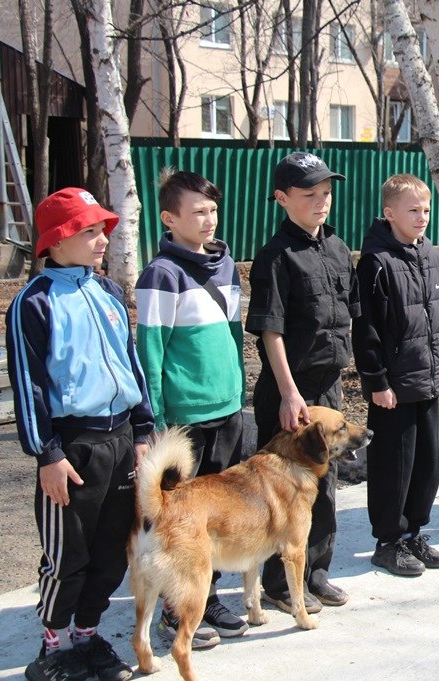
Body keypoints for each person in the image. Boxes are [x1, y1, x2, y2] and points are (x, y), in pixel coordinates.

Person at [6, 188, 154, 681]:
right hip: (71, 450)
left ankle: (88, 636)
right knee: (68, 555)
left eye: (102, 230)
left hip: (119, 442)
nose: (100, 241)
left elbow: (130, 362)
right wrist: (47, 454)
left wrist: (142, 428)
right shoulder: (34, 303)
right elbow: (29, 385)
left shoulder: (108, 292)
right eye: (88, 231)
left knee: (113, 549)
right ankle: (53, 646)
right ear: (56, 240)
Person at [134, 169, 247, 647]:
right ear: (168, 217)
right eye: (197, 212)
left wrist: (238, 393)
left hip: (228, 408)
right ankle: (172, 611)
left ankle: (209, 595)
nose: (208, 220)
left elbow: (236, 339)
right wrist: (155, 423)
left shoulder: (225, 266)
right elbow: (151, 352)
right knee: (177, 521)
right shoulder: (161, 274)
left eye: (213, 211)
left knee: (215, 519)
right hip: (184, 418)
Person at [245, 151, 358, 612]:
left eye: (326, 193)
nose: (321, 201)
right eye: (309, 194)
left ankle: (316, 571)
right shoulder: (276, 256)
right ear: (281, 198)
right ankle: (278, 582)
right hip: (290, 391)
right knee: (284, 492)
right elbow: (270, 330)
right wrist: (290, 393)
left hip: (328, 388)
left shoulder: (335, 247)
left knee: (324, 488)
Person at [352, 173, 439, 576]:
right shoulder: (377, 262)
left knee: (426, 464)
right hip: (393, 388)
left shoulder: (433, 256)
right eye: (413, 210)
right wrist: (377, 381)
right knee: (393, 465)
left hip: (426, 380)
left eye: (427, 210)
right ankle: (388, 540)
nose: (422, 216)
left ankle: (413, 532)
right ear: (389, 213)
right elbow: (367, 329)